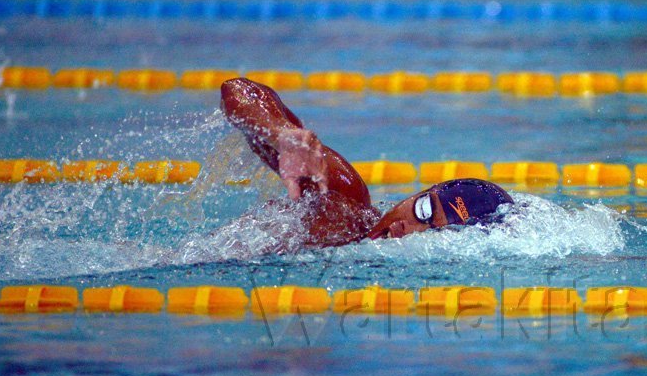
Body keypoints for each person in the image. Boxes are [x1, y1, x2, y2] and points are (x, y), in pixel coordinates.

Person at [220, 77, 513, 248]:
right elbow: (238, 89)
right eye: (423, 210)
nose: (408, 229)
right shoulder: (344, 203)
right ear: (419, 192)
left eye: (435, 235)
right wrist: (280, 134)